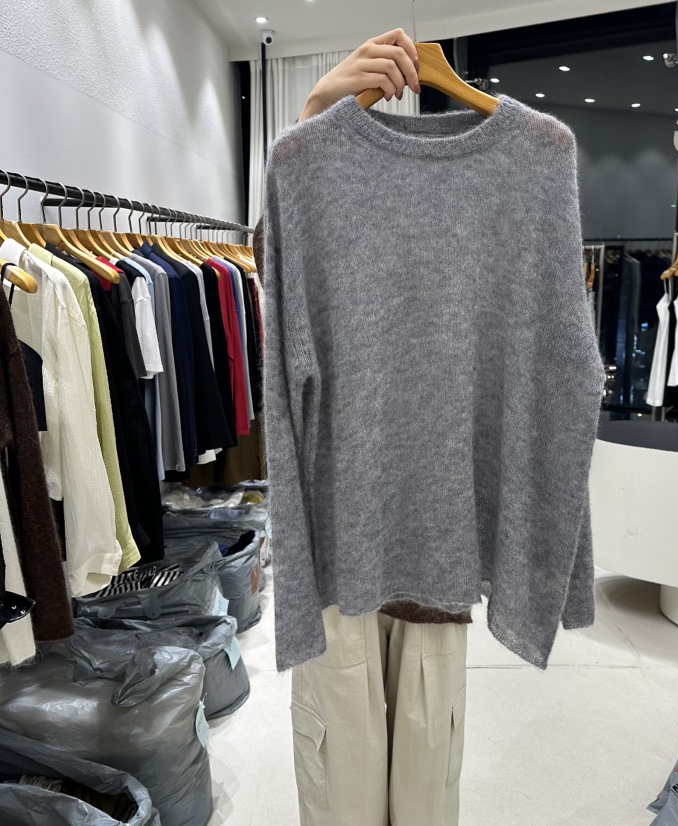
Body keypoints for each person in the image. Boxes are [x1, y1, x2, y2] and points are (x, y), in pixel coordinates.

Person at [254, 29, 472, 826]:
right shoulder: (318, 182)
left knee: (422, 779)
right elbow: (277, 276)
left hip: (433, 544)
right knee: (345, 779)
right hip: (336, 541)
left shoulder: (494, 189)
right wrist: (315, 113)